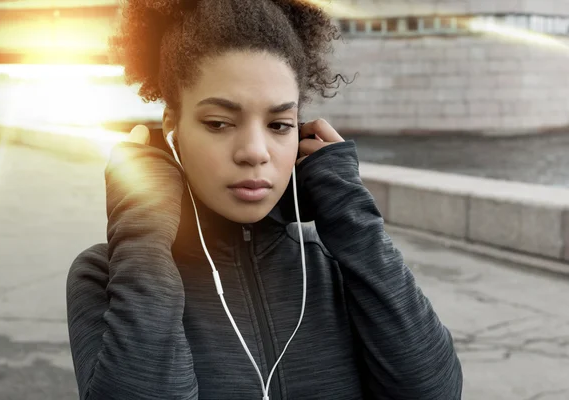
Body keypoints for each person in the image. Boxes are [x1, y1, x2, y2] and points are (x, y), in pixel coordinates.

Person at [66, 0, 463, 399]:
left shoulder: (339, 266)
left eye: (279, 125)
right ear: (173, 128)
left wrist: (352, 215)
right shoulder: (108, 275)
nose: (255, 152)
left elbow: (433, 392)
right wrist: (144, 229)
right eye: (219, 123)